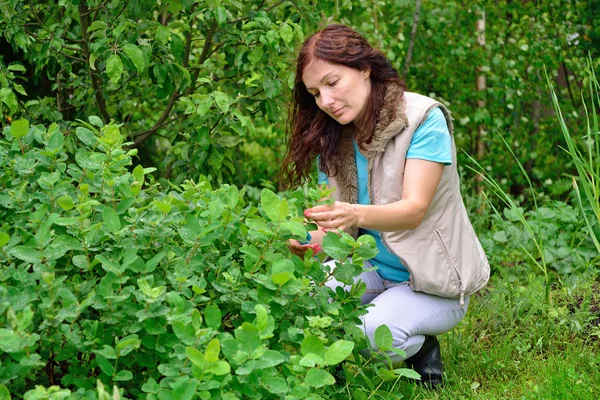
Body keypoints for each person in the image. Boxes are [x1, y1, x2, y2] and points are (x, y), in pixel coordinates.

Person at [280, 24, 490, 388]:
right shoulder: (332, 139)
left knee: (371, 332)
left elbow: (414, 210)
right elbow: (334, 227)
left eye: (332, 82)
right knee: (307, 304)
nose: (325, 101)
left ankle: (421, 349)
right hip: (372, 270)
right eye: (315, 92)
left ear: (363, 68)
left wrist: (354, 213)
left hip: (431, 282)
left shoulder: (422, 118)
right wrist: (307, 242)